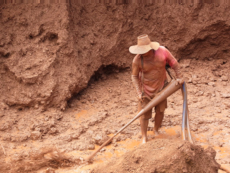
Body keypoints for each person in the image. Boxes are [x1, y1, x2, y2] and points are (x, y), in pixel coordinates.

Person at [129, 34, 184, 144]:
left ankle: (156, 130)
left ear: (150, 48)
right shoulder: (137, 60)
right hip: (146, 91)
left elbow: (174, 63)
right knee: (144, 114)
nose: (142, 53)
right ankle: (144, 137)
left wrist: (179, 77)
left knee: (160, 111)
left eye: (144, 50)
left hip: (162, 88)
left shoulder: (162, 51)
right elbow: (134, 76)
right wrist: (139, 93)